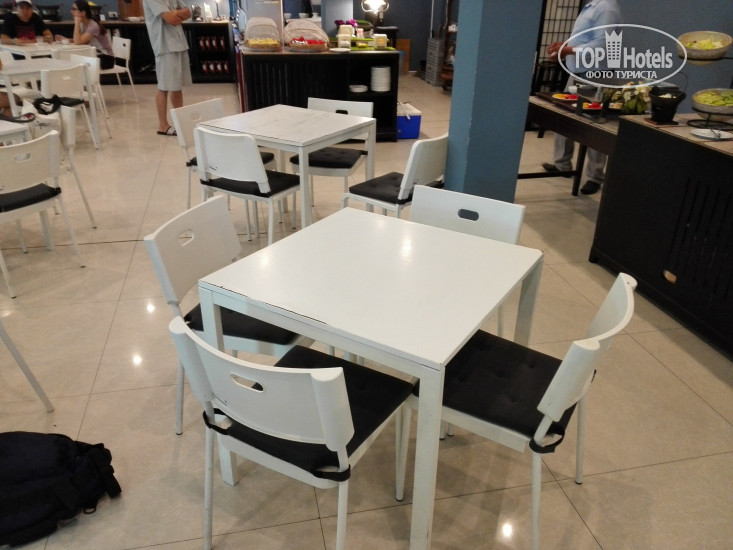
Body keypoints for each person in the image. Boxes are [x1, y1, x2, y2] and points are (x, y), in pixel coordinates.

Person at [542, 0, 622, 195]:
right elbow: (585, 39)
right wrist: (565, 46)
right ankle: (562, 164)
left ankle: (595, 176)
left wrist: (567, 50)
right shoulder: (591, 6)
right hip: (577, 72)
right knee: (564, 115)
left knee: (594, 124)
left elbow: (602, 46)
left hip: (596, 74)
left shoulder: (606, 8)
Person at [143, 0, 192, 136]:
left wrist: (176, 14)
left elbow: (188, 12)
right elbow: (171, 19)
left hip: (178, 43)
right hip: (165, 46)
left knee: (177, 86)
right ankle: (163, 125)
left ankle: (180, 122)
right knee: (164, 87)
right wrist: (176, 15)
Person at [55, 0, 115, 69]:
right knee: (72, 60)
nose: (71, 11)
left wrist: (77, 23)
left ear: (83, 13)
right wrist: (66, 40)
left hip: (106, 58)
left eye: (74, 9)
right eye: (72, 9)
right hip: (95, 55)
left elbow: (78, 42)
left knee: (76, 63)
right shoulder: (82, 23)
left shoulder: (93, 26)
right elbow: (81, 40)